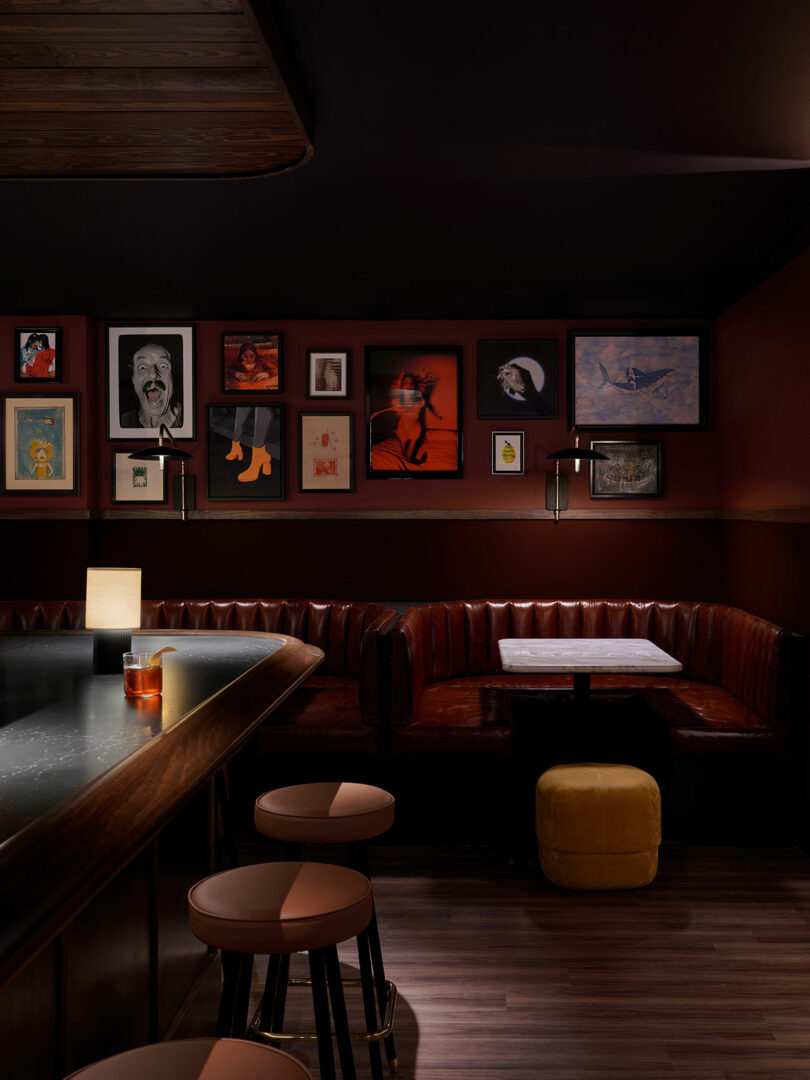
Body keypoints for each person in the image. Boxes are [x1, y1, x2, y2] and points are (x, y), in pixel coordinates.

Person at [120, 342, 182, 429]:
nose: (153, 374)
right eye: (142, 367)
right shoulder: (123, 423)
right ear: (134, 380)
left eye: (163, 366)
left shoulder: (189, 418)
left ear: (172, 377)